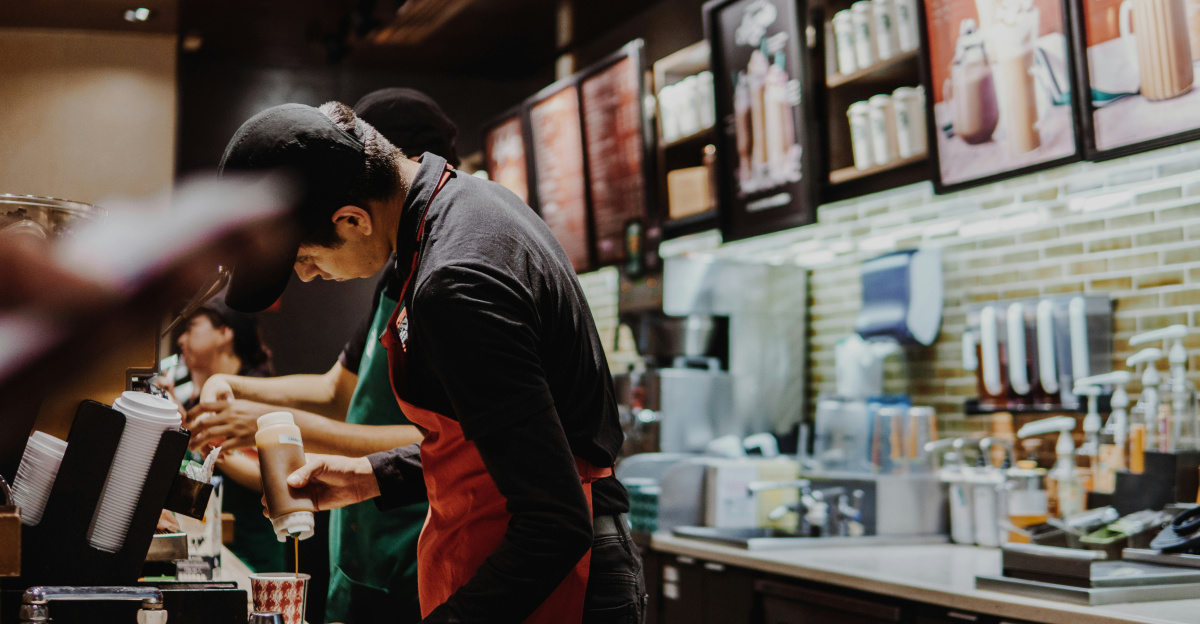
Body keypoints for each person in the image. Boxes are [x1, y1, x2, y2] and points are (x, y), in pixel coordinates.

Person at [218, 101, 645, 624]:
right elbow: (508, 444)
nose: (307, 276)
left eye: (305, 259)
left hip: (560, 585)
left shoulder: (455, 281)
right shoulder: (467, 205)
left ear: (351, 220)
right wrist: (372, 476)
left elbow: (554, 522)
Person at [187, 88, 459, 624]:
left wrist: (270, 422)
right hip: (363, 547)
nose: (308, 276)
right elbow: (340, 390)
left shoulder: (450, 276)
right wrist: (239, 390)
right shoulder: (395, 276)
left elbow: (453, 443)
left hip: (419, 541)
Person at [174, 300, 284, 572]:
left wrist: (200, 442)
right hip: (207, 550)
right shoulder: (194, 399)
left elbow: (269, 475)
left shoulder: (254, 396)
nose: (180, 340)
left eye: (191, 328)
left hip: (253, 554)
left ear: (224, 333)